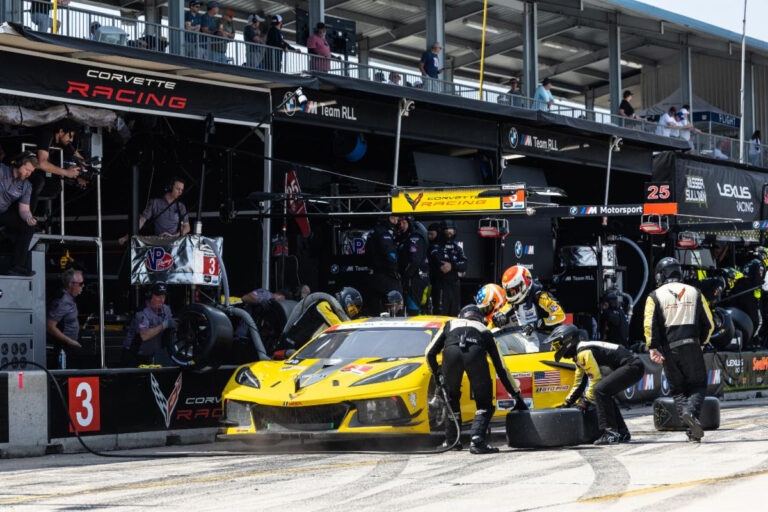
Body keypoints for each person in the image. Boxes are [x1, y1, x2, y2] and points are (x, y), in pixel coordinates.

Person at [426, 305, 527, 454]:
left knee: (451, 398)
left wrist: (437, 375)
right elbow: (501, 368)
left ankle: (451, 441)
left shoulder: (450, 324)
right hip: (475, 353)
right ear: (480, 318)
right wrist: (516, 395)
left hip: (451, 353)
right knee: (484, 403)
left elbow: (429, 353)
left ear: (461, 316)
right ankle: (477, 441)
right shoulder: (485, 330)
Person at [644, 257, 714, 443]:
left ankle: (689, 423)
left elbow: (649, 324)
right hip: (692, 344)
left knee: (678, 390)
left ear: (660, 275)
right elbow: (709, 323)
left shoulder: (654, 295)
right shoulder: (695, 292)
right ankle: (690, 415)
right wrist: (702, 343)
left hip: (669, 350)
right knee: (698, 385)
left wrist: (652, 348)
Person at [551, 324, 643, 445]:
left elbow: (595, 379)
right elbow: (579, 383)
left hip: (632, 365)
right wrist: (567, 403)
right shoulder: (579, 354)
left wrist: (586, 401)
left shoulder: (583, 352)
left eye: (557, 345)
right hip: (633, 365)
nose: (556, 349)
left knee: (600, 390)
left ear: (568, 341)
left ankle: (611, 432)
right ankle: (622, 432)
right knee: (605, 392)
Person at [278, 287, 362, 351]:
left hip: (306, 351)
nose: (350, 312)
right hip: (291, 347)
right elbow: (340, 327)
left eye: (353, 312)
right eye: (351, 308)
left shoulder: (334, 312)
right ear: (346, 300)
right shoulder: (323, 305)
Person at [494, 265, 565, 333]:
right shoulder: (513, 301)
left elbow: (560, 315)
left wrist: (539, 323)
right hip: (524, 336)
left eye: (513, 291)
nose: (511, 295)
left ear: (524, 285)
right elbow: (506, 309)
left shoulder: (541, 297)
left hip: (544, 336)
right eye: (508, 292)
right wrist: (500, 315)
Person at [32, 121, 83, 214]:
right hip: (19, 167)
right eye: (70, 136)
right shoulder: (47, 135)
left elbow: (75, 153)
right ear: (61, 131)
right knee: (41, 182)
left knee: (55, 187)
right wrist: (67, 173)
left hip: (32, 170)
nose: (71, 140)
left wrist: (83, 166)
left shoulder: (61, 140)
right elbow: (42, 163)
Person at [118, 177, 190, 244]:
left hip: (174, 243)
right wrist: (126, 237)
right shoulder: (155, 203)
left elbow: (187, 227)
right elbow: (141, 221)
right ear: (170, 188)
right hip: (157, 242)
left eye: (182, 190)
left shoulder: (181, 206)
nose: (180, 192)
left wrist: (174, 236)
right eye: (178, 189)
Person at [0, 152, 38, 276]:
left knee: (29, 226)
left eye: (31, 172)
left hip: (2, 213)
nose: (28, 173)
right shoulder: (1, 170)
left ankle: (17, 266)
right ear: (18, 164)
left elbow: (24, 210)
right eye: (27, 169)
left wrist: (29, 218)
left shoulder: (26, 186)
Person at [122, 282, 176, 366]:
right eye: (158, 296)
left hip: (152, 356)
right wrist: (164, 325)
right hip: (133, 356)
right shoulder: (142, 312)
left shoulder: (166, 309)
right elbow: (144, 335)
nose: (161, 300)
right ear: (150, 296)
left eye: (163, 296)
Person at [429, 220, 467, 316]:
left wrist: (453, 266)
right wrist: (457, 268)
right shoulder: (435, 247)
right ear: (442, 232)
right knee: (440, 314)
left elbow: (465, 265)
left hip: (455, 287)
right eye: (447, 232)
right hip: (441, 286)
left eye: (451, 231)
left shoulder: (457, 248)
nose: (449, 234)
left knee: (455, 314)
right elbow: (444, 268)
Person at [47, 269, 85, 364]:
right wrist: (70, 342)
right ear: (70, 284)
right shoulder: (63, 301)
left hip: (70, 346)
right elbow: (50, 326)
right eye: (80, 284)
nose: (83, 286)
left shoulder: (70, 299)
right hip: (64, 348)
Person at [367, 215, 402, 314]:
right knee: (394, 307)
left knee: (376, 308)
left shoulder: (374, 231)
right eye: (393, 218)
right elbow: (390, 255)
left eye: (397, 218)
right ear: (386, 218)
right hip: (385, 277)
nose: (396, 221)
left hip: (374, 276)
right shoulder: (383, 233)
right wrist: (395, 271)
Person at [396, 216, 430, 316]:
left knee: (414, 311)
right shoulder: (405, 237)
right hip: (416, 279)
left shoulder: (414, 237)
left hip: (415, 280)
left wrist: (405, 275)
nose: (401, 226)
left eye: (403, 223)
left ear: (409, 223)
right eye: (400, 223)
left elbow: (415, 261)